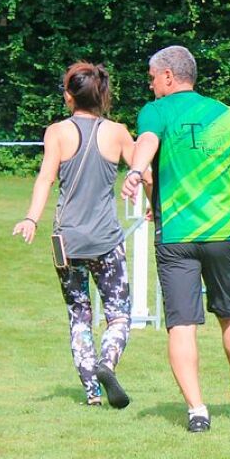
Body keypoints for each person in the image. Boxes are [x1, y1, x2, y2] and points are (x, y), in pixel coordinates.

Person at [121, 46, 230, 433]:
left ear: (168, 76)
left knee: (181, 323)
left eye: (152, 77)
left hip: (177, 237)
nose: (150, 85)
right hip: (223, 234)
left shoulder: (156, 111)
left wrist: (135, 169)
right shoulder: (227, 115)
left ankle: (197, 410)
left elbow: (146, 142)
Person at [12, 63, 139, 408]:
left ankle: (92, 394)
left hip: (64, 242)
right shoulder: (117, 132)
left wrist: (30, 219)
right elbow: (143, 170)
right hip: (106, 240)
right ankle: (107, 363)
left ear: (69, 97)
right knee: (118, 314)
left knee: (79, 315)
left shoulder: (56, 132)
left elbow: (45, 180)